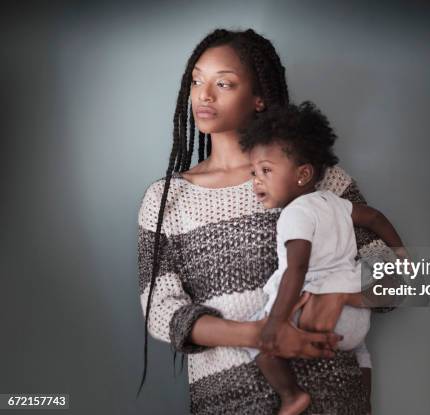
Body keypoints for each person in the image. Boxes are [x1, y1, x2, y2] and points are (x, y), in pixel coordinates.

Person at [136, 28, 395, 414]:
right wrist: (262, 336)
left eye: (223, 83)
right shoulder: (166, 199)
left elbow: (396, 280)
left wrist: (337, 294)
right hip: (225, 402)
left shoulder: (318, 179)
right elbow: (161, 311)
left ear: (259, 99)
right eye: (196, 81)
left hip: (330, 394)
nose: (203, 95)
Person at [239, 101, 408, 415]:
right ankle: (365, 405)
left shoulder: (295, 214)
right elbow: (373, 218)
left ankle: (291, 396)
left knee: (255, 340)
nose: (256, 181)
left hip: (315, 314)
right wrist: (400, 254)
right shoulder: (335, 203)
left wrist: (276, 322)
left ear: (303, 174)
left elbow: (297, 267)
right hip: (354, 317)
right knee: (360, 349)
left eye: (266, 170)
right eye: (253, 172)